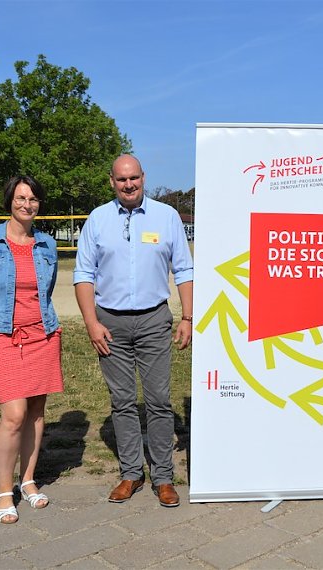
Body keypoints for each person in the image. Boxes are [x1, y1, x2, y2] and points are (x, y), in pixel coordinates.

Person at [73, 154, 193, 508]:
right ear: (111, 181)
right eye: (122, 179)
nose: (129, 185)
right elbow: (83, 275)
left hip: (155, 319)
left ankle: (163, 477)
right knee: (122, 401)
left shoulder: (166, 216)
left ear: (144, 178)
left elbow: (184, 269)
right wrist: (92, 323)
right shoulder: (97, 219)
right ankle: (130, 473)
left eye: (134, 178)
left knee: (158, 401)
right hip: (110, 323)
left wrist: (188, 317)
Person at [0, 175, 63, 524]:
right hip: (2, 338)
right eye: (21, 198)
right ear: (10, 200)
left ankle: (28, 481)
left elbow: (45, 292)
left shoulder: (47, 245)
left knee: (36, 413)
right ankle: (4, 490)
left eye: (34, 199)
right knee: (14, 416)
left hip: (44, 337)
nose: (27, 204)